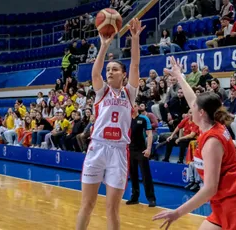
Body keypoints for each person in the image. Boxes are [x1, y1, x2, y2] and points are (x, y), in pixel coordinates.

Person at [153, 56, 236, 230]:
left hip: (235, 206)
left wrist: (177, 213)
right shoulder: (209, 124)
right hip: (221, 205)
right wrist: (179, 76)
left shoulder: (212, 142)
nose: (189, 108)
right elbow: (193, 99)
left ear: (201, 113)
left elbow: (210, 189)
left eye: (192, 108)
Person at [76, 18, 145, 230]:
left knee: (112, 208)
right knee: (87, 203)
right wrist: (104, 46)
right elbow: (95, 73)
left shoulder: (129, 92)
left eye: (115, 69)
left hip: (118, 151)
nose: (110, 72)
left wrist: (134, 39)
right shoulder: (102, 91)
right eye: (109, 69)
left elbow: (135, 64)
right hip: (97, 147)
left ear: (123, 75)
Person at [126, 104, 156, 207]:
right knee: (133, 175)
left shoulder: (144, 119)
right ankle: (134, 197)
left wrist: (148, 149)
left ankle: (151, 198)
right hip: (130, 151)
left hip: (141, 151)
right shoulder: (127, 119)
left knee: (145, 175)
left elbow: (149, 134)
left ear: (137, 107)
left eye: (134, 106)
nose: (132, 108)